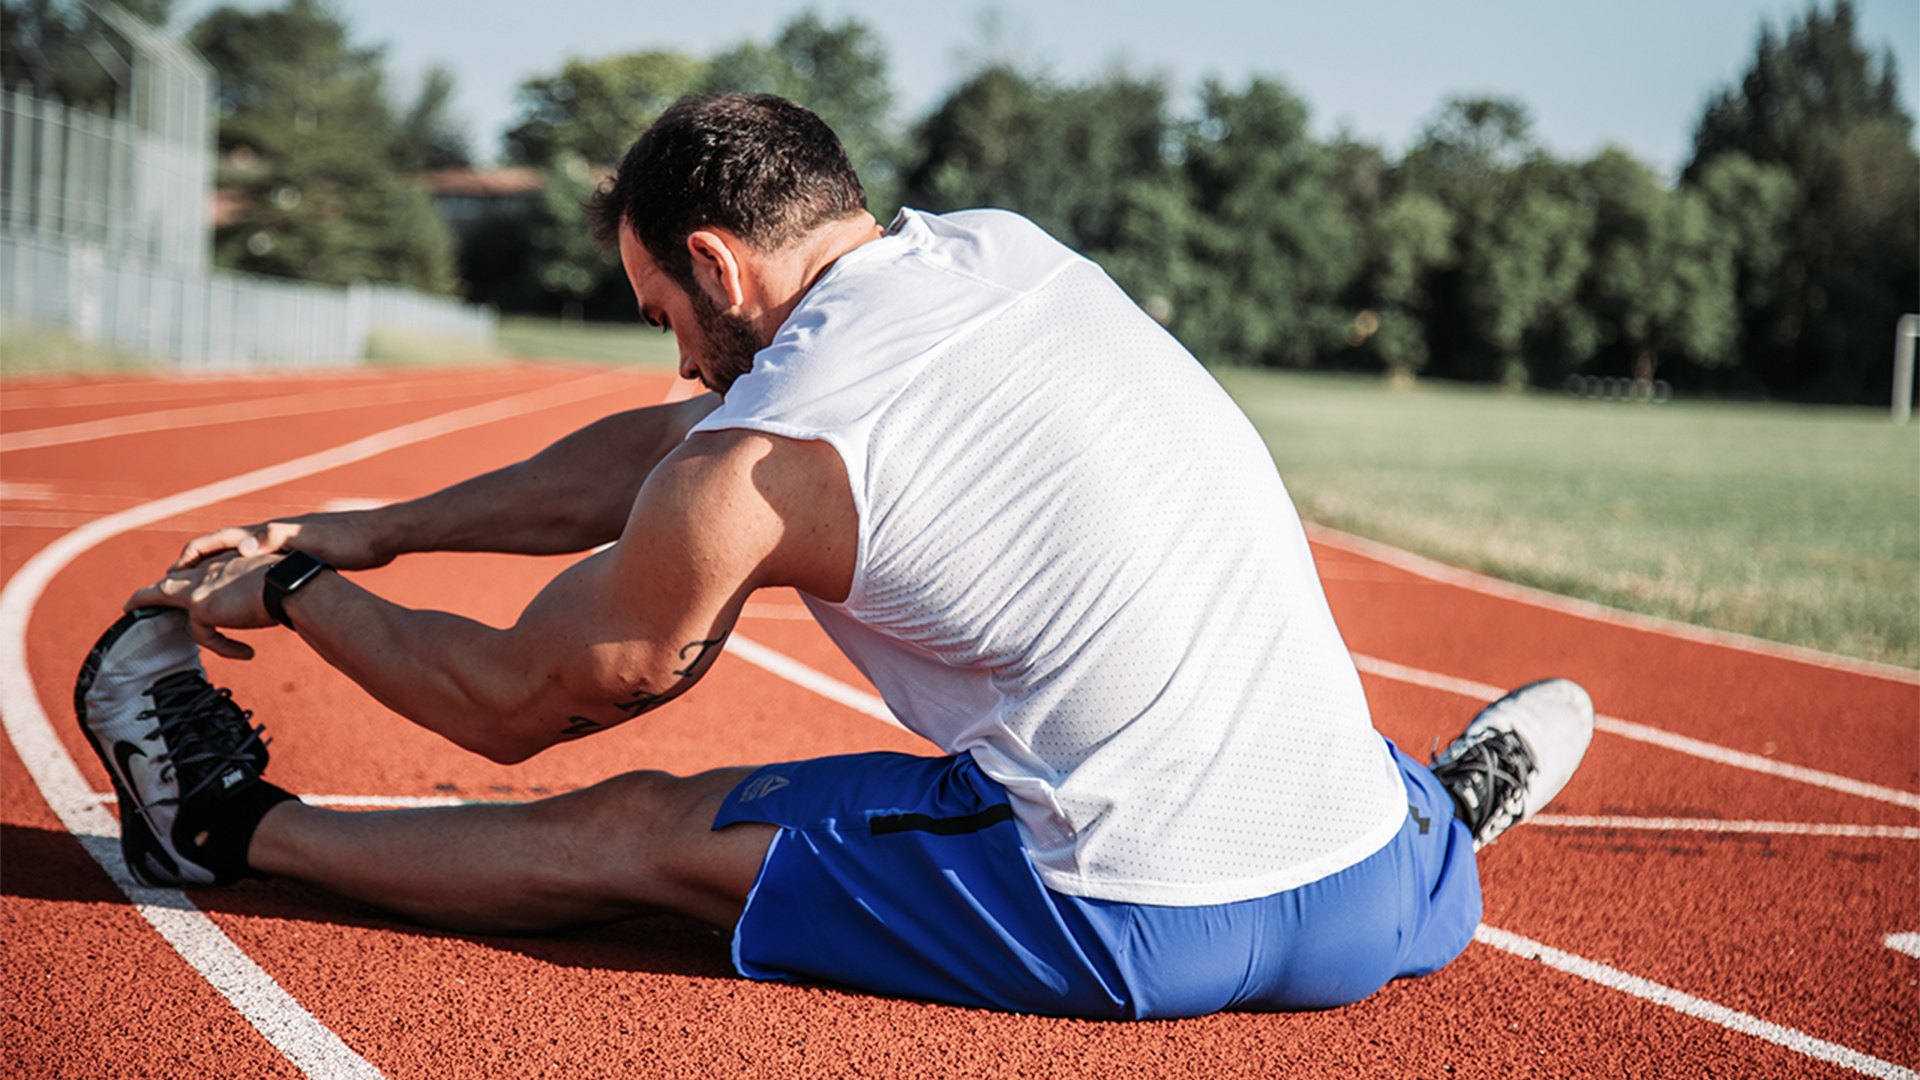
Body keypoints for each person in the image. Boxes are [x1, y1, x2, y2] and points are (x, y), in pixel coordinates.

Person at [77, 93, 1593, 1019]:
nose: (673, 359)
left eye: (663, 313)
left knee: (635, 832)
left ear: (721, 268)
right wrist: (376, 529)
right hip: (1364, 900)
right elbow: (672, 453)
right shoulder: (1001, 252)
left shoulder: (758, 459)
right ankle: (1442, 817)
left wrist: (295, 587)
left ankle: (222, 831)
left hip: (1127, 912)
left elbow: (516, 698)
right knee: (1260, 695)